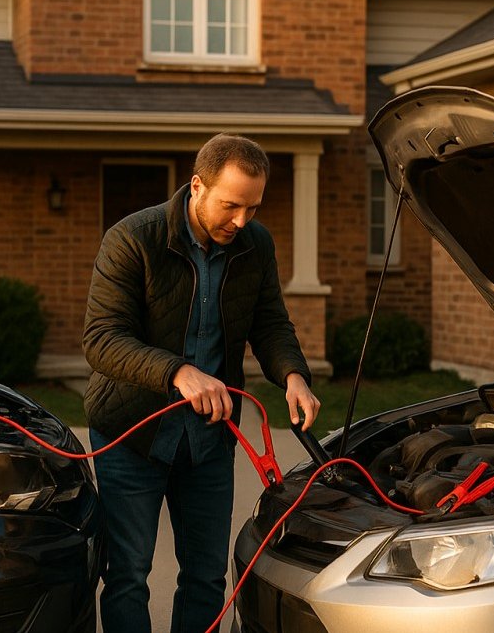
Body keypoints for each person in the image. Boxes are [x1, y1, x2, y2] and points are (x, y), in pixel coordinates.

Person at [83, 133, 321, 633]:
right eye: (230, 205)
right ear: (197, 186)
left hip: (209, 442)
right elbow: (101, 339)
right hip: (132, 432)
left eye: (252, 208)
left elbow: (270, 322)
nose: (241, 221)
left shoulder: (255, 244)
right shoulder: (132, 238)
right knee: (127, 575)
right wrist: (177, 371)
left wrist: (293, 376)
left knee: (207, 578)